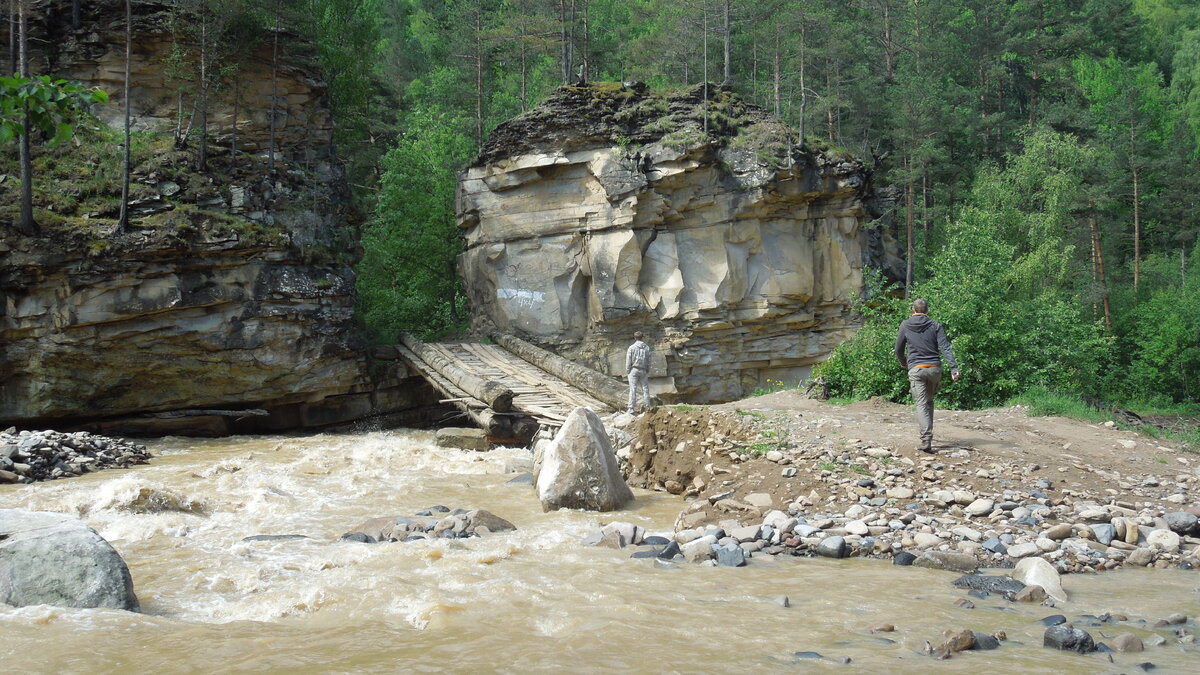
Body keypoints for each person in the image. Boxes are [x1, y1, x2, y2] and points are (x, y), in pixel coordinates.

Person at [894, 299, 960, 453]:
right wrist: (953, 368)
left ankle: (926, 439)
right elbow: (945, 347)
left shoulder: (905, 325)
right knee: (929, 401)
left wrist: (903, 362)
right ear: (927, 311)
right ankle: (928, 435)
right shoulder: (935, 325)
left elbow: (898, 349)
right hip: (934, 369)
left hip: (916, 368)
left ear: (913, 310)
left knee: (922, 403)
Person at [626, 331, 652, 414]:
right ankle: (647, 407)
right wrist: (647, 369)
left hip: (634, 369)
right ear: (642, 337)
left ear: (634, 338)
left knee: (633, 389)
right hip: (643, 370)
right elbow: (648, 360)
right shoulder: (647, 348)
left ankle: (631, 408)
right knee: (645, 388)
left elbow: (628, 360)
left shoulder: (632, 347)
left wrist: (628, 370)